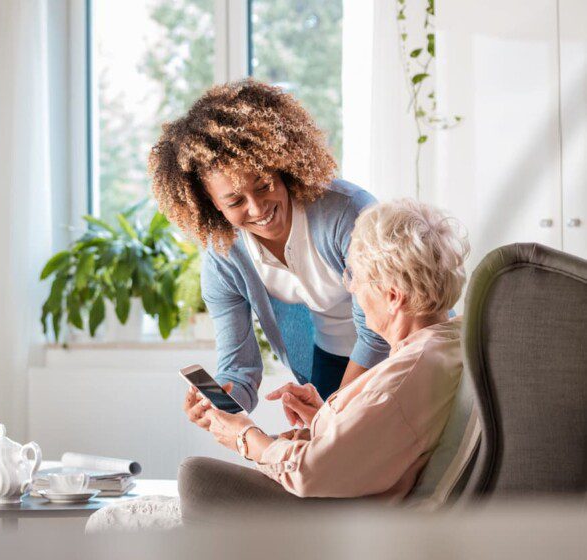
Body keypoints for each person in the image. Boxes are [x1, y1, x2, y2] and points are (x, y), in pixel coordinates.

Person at [181, 199, 470, 501]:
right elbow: (381, 439)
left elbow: (309, 471)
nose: (352, 288)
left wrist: (243, 435)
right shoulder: (445, 344)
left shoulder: (403, 377)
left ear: (393, 297)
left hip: (346, 516)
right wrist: (325, 417)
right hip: (352, 490)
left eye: (355, 276)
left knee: (196, 475)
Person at [148, 79, 389, 427]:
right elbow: (241, 369)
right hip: (331, 362)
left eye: (264, 185)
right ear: (210, 204)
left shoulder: (346, 213)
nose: (257, 207)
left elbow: (377, 330)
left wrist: (333, 416)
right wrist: (222, 401)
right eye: (234, 201)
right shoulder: (225, 257)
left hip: (397, 354)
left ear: (282, 166)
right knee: (329, 474)